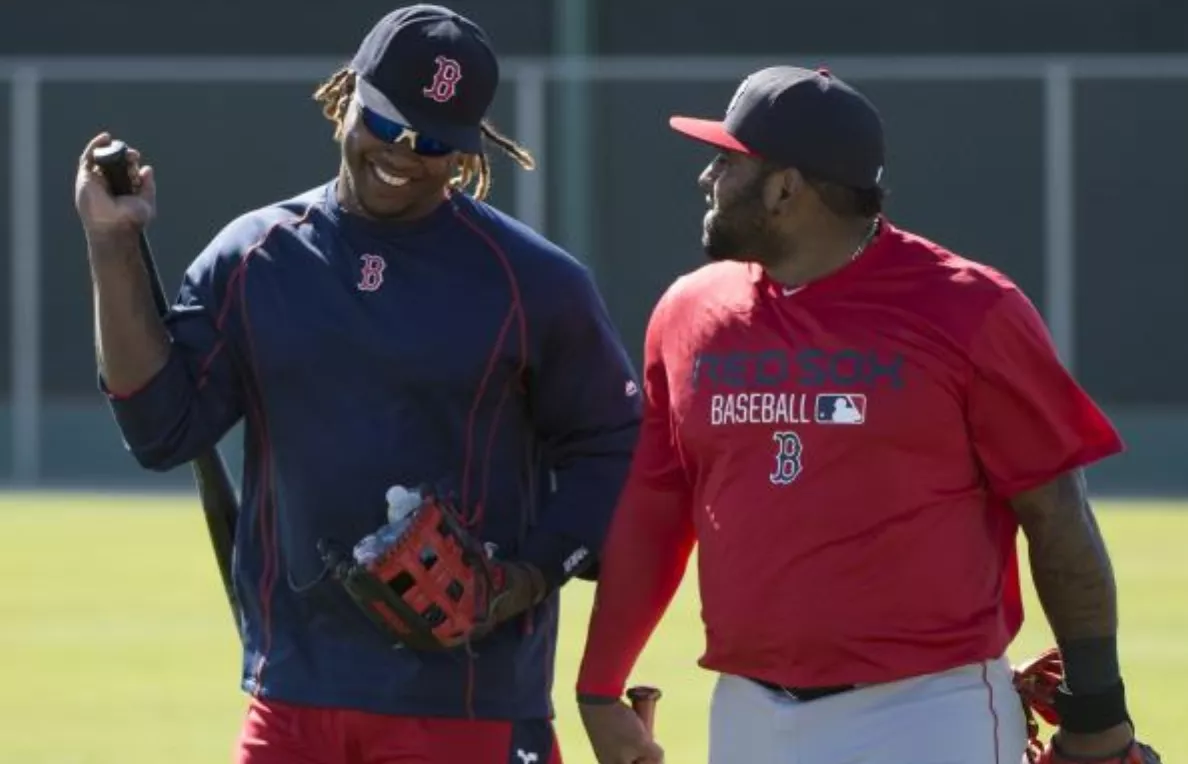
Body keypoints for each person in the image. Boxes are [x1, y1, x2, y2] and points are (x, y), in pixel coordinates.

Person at [73, 5, 642, 763]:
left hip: (470, 702)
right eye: (389, 123)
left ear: (468, 151)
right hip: (295, 695)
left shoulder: (535, 283)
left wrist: (528, 575)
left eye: (436, 142)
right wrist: (111, 247)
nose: (406, 154)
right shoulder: (255, 258)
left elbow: (612, 445)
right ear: (347, 96)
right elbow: (158, 428)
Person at [573, 66, 1159, 764]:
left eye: (726, 162)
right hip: (746, 710)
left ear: (786, 187)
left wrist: (1096, 713)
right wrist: (599, 688)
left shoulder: (970, 309)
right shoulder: (688, 311)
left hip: (927, 712)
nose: (707, 178)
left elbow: (1058, 517)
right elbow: (657, 503)